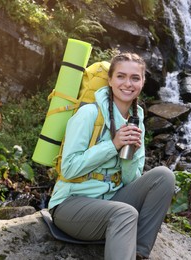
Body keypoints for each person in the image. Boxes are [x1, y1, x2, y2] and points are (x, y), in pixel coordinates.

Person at [48, 52, 175, 260]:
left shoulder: (136, 120)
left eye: (135, 78)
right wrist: (113, 145)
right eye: (121, 76)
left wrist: (130, 154)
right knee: (125, 213)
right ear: (110, 80)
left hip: (111, 201)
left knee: (164, 176)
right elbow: (68, 169)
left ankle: (137, 253)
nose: (128, 84)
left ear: (143, 82)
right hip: (71, 205)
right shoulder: (89, 114)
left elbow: (129, 181)